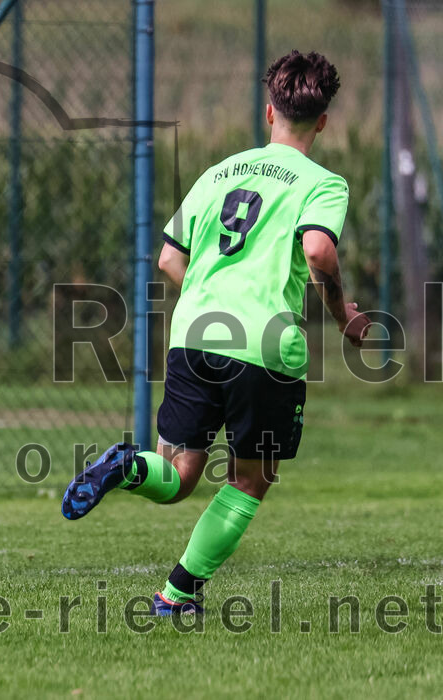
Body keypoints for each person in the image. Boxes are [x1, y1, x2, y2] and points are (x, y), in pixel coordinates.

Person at [61, 50, 371, 615]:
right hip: (264, 345)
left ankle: (127, 467)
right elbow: (319, 249)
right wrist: (344, 316)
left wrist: (209, 297)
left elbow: (167, 260)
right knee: (251, 479)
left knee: (178, 475)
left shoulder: (219, 172)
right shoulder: (323, 183)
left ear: (268, 111)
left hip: (194, 333)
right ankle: (177, 594)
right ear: (322, 121)